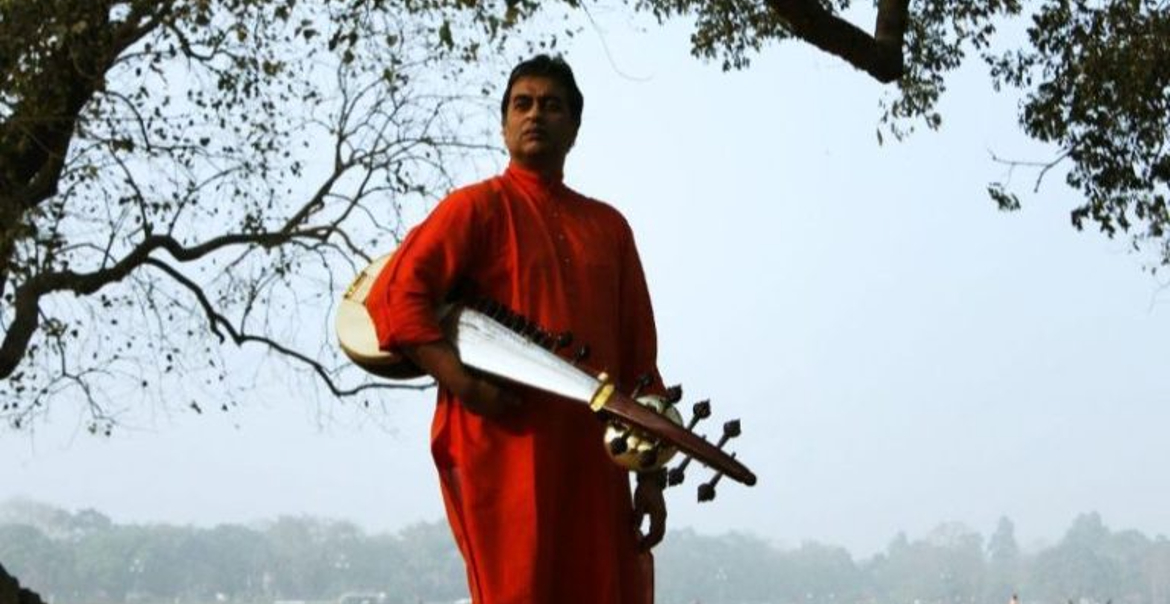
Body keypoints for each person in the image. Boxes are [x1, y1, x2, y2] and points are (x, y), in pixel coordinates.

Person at [366, 54, 668, 603]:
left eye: (552, 106)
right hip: (505, 444)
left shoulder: (609, 227)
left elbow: (639, 358)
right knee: (518, 590)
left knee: (604, 587)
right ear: (504, 123)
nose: (535, 115)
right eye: (522, 104)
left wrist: (650, 477)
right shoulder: (474, 209)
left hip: (594, 456)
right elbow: (397, 295)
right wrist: (463, 383)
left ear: (574, 128)